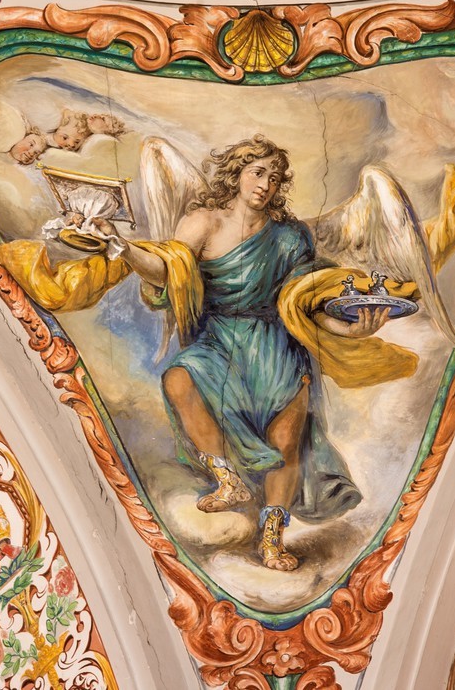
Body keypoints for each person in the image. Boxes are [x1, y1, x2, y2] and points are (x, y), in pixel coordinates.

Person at [92, 135, 389, 571]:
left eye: (275, 177)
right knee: (179, 379)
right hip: (218, 340)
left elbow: (304, 302)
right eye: (258, 172)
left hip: (277, 345)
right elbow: (168, 272)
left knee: (286, 444)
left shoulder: (290, 237)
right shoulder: (203, 223)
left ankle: (272, 539)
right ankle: (227, 479)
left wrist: (350, 328)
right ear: (236, 174)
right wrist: (122, 247)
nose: (266, 184)